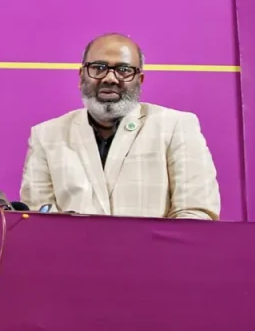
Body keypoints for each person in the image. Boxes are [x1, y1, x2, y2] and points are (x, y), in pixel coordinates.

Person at [20, 33, 221, 219]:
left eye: (123, 70)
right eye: (98, 67)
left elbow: (196, 213)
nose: (110, 78)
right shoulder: (46, 135)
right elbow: (39, 218)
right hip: (71, 247)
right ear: (81, 76)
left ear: (139, 80)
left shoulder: (176, 126)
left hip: (154, 247)